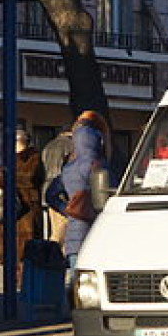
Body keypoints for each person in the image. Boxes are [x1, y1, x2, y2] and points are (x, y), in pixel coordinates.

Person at [46, 111, 111, 269]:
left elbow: (50, 195)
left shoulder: (69, 168)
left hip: (73, 234)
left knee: (74, 281)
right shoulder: (100, 166)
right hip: (96, 232)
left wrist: (67, 209)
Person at [0, 127, 45, 288]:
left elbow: (30, 178)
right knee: (9, 253)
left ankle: (23, 285)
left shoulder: (33, 159)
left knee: (24, 253)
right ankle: (14, 283)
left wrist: (6, 178)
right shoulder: (6, 162)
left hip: (26, 214)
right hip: (8, 213)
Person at [41, 124, 73, 246]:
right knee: (62, 232)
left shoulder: (48, 146)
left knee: (55, 229)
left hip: (48, 188)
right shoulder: (71, 146)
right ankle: (54, 257)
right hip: (63, 192)